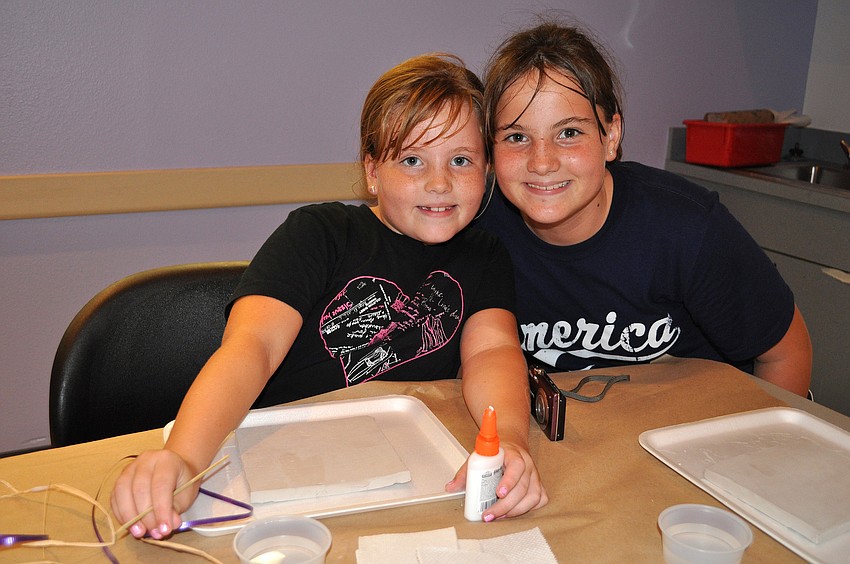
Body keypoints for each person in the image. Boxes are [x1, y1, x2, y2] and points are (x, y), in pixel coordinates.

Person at [111, 53, 547, 539]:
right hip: (286, 471)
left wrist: (507, 439)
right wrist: (185, 457)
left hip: (408, 477)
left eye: (461, 160)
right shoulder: (319, 233)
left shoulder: (484, 254)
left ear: (486, 169)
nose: (439, 182)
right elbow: (252, 347)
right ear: (373, 170)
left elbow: (492, 351)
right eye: (412, 160)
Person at [475, 21, 812, 396]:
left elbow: (785, 354)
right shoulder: (477, 229)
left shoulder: (687, 229)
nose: (542, 162)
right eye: (517, 136)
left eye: (569, 133)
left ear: (611, 137)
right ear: (490, 149)